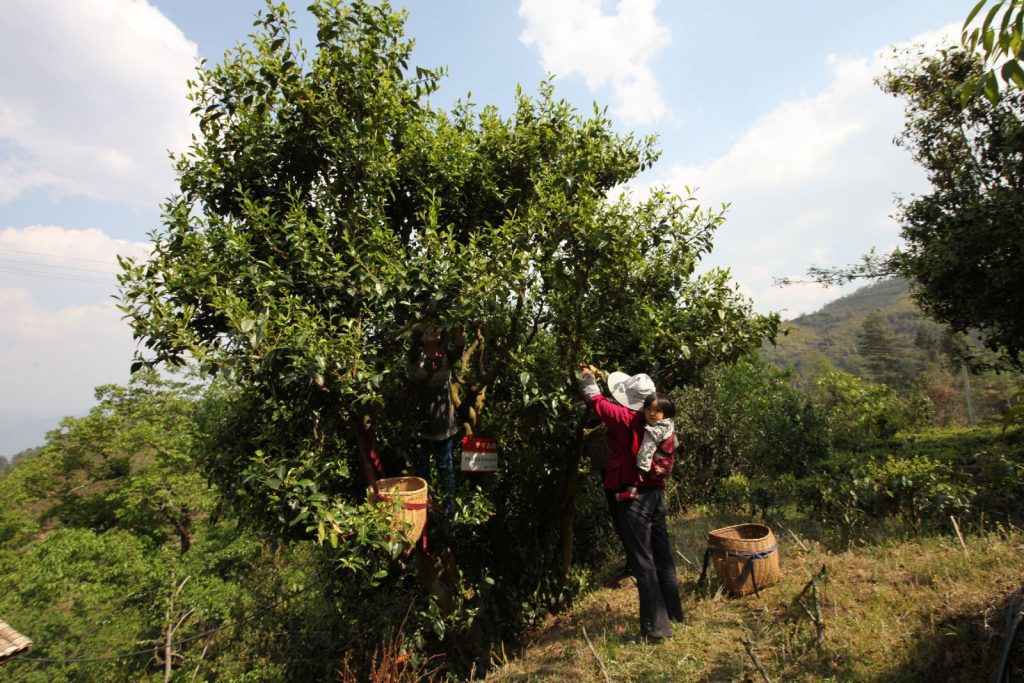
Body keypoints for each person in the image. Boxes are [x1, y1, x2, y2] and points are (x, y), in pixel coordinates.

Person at [580, 366, 684, 641]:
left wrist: (588, 376)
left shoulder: (624, 416)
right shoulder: (660, 420)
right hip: (655, 492)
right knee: (662, 554)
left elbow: (594, 399)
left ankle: (657, 627)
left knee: (642, 559)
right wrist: (601, 373)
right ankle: (674, 613)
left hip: (632, 493)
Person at [408, 325, 464, 510]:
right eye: (428, 329)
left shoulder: (446, 354)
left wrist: (458, 331)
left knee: (445, 465)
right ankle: (422, 504)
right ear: (421, 338)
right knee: (422, 467)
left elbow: (460, 346)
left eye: (436, 328)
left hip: (443, 421)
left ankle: (448, 507)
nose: (433, 331)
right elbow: (414, 333)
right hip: (420, 418)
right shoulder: (416, 355)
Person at [618, 393, 678, 502]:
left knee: (633, 458)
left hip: (657, 467)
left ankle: (632, 490)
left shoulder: (654, 430)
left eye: (658, 411)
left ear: (666, 413)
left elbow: (647, 448)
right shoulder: (668, 423)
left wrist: (642, 468)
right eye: (648, 409)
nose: (652, 413)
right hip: (667, 463)